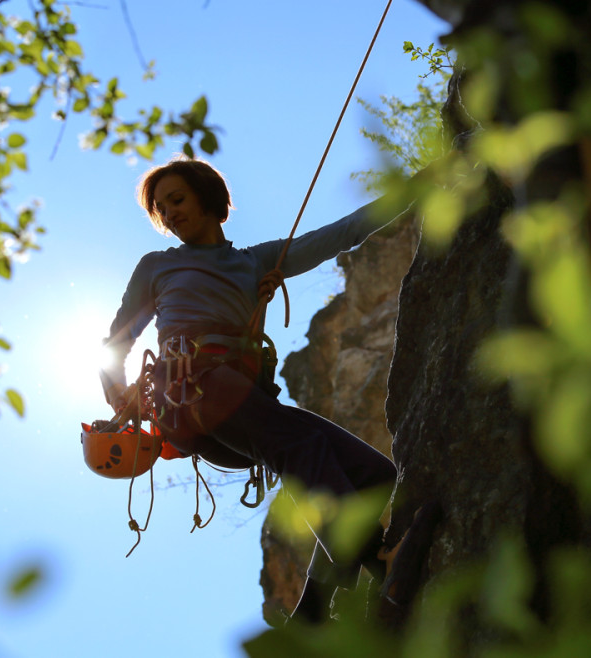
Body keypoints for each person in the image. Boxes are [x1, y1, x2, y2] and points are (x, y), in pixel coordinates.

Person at [99, 157, 408, 623]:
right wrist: (118, 391)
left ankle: (313, 612)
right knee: (300, 446)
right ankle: (374, 558)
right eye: (161, 209)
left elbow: (343, 233)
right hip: (190, 391)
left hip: (239, 407)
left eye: (177, 200)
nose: (170, 214)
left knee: (373, 475)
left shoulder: (257, 263)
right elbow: (116, 343)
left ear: (209, 198)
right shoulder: (158, 267)